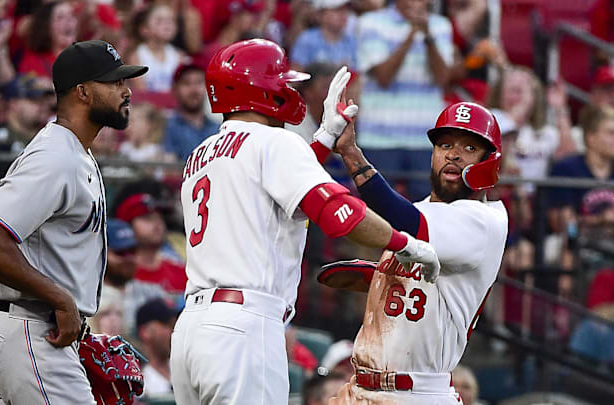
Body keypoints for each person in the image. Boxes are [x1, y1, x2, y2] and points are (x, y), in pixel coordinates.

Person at [171, 38, 441, 405]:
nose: (289, 89)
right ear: (260, 88)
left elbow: (274, 183)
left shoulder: (199, 154)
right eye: (283, 81)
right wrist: (405, 244)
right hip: (243, 327)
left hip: (191, 331)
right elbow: (338, 214)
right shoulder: (274, 143)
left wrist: (325, 137)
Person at [0, 40, 148, 404]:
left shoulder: (75, 152)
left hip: (26, 333)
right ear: (82, 92)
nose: (126, 91)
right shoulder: (55, 157)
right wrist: (61, 300)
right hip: (34, 334)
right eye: (113, 82)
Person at [326, 101, 508, 404]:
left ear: (490, 161)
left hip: (416, 393)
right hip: (359, 387)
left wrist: (350, 153)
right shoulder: (420, 210)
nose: (453, 153)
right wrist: (376, 278)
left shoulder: (485, 219)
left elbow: (406, 224)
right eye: (445, 144)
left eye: (469, 148)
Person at [356, 0, 454, 200]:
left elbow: (443, 78)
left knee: (428, 210)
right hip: (379, 137)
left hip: (425, 138)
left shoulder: (441, 26)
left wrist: (427, 37)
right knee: (379, 208)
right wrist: (411, 34)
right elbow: (384, 76)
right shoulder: (370, 23)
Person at [162, 63, 219, 161]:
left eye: (199, 82)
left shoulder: (218, 129)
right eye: (186, 83)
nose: (194, 89)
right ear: (175, 89)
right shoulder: (166, 127)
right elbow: (167, 169)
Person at [136, 298, 178, 397]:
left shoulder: (185, 370)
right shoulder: (136, 380)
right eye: (166, 324)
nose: (173, 330)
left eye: (175, 324)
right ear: (145, 331)